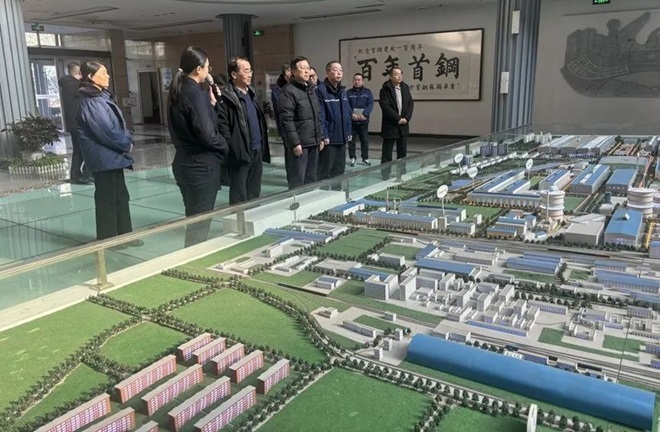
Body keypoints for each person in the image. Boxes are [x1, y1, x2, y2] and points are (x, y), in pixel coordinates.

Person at [168, 46, 228, 247]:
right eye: (208, 67)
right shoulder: (194, 94)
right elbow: (208, 134)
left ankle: (192, 255)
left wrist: (211, 106)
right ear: (198, 69)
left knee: (193, 220)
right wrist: (224, 145)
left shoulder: (178, 91)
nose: (209, 71)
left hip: (184, 163)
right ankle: (194, 260)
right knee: (199, 226)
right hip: (201, 167)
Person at [76, 61, 135, 242]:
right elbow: (106, 131)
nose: (108, 76)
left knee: (121, 197)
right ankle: (108, 239)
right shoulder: (90, 101)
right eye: (103, 72)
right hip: (103, 159)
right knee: (107, 201)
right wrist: (126, 144)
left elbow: (117, 125)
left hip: (113, 157)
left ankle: (125, 235)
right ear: (91, 76)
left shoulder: (101, 96)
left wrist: (126, 139)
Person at [218, 56, 271, 204]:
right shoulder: (226, 97)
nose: (250, 74)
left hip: (256, 149)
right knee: (239, 195)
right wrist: (234, 148)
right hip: (240, 153)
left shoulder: (252, 93)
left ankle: (253, 215)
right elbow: (223, 128)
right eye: (246, 71)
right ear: (234, 74)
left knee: (254, 192)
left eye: (250, 71)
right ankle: (239, 218)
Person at [279, 56, 324, 189]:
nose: (306, 71)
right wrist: (295, 142)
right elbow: (286, 119)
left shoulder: (311, 90)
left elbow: (317, 116)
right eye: (302, 68)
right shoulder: (288, 91)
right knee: (297, 180)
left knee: (311, 179)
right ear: (293, 71)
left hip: (313, 141)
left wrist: (320, 137)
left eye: (308, 68)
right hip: (300, 145)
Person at [316, 61, 352, 181]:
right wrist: (324, 135)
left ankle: (337, 191)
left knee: (339, 170)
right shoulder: (321, 90)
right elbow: (320, 115)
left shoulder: (343, 91)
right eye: (335, 70)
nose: (339, 73)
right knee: (325, 171)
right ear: (327, 72)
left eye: (341, 70)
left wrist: (348, 131)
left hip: (342, 138)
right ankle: (323, 192)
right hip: (329, 139)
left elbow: (347, 113)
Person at [59, 62, 92, 184]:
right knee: (89, 148)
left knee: (78, 150)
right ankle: (87, 175)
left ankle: (75, 174)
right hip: (81, 123)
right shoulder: (77, 86)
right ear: (79, 72)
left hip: (72, 123)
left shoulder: (65, 85)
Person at [379, 67, 414, 179]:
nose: (399, 76)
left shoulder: (405, 87)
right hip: (391, 124)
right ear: (390, 76)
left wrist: (406, 118)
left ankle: (402, 172)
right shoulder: (385, 89)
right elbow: (385, 106)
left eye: (400, 74)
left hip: (403, 124)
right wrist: (397, 118)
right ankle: (385, 173)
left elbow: (410, 103)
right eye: (396, 74)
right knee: (387, 152)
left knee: (402, 151)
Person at [347, 72, 374, 167]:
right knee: (351, 141)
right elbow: (346, 105)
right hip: (352, 121)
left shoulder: (367, 92)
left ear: (363, 81)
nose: (357, 81)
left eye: (359, 80)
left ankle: (365, 158)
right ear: (353, 81)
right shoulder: (348, 93)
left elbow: (370, 104)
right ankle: (352, 158)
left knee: (364, 140)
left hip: (363, 121)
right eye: (355, 80)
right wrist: (351, 114)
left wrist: (365, 114)